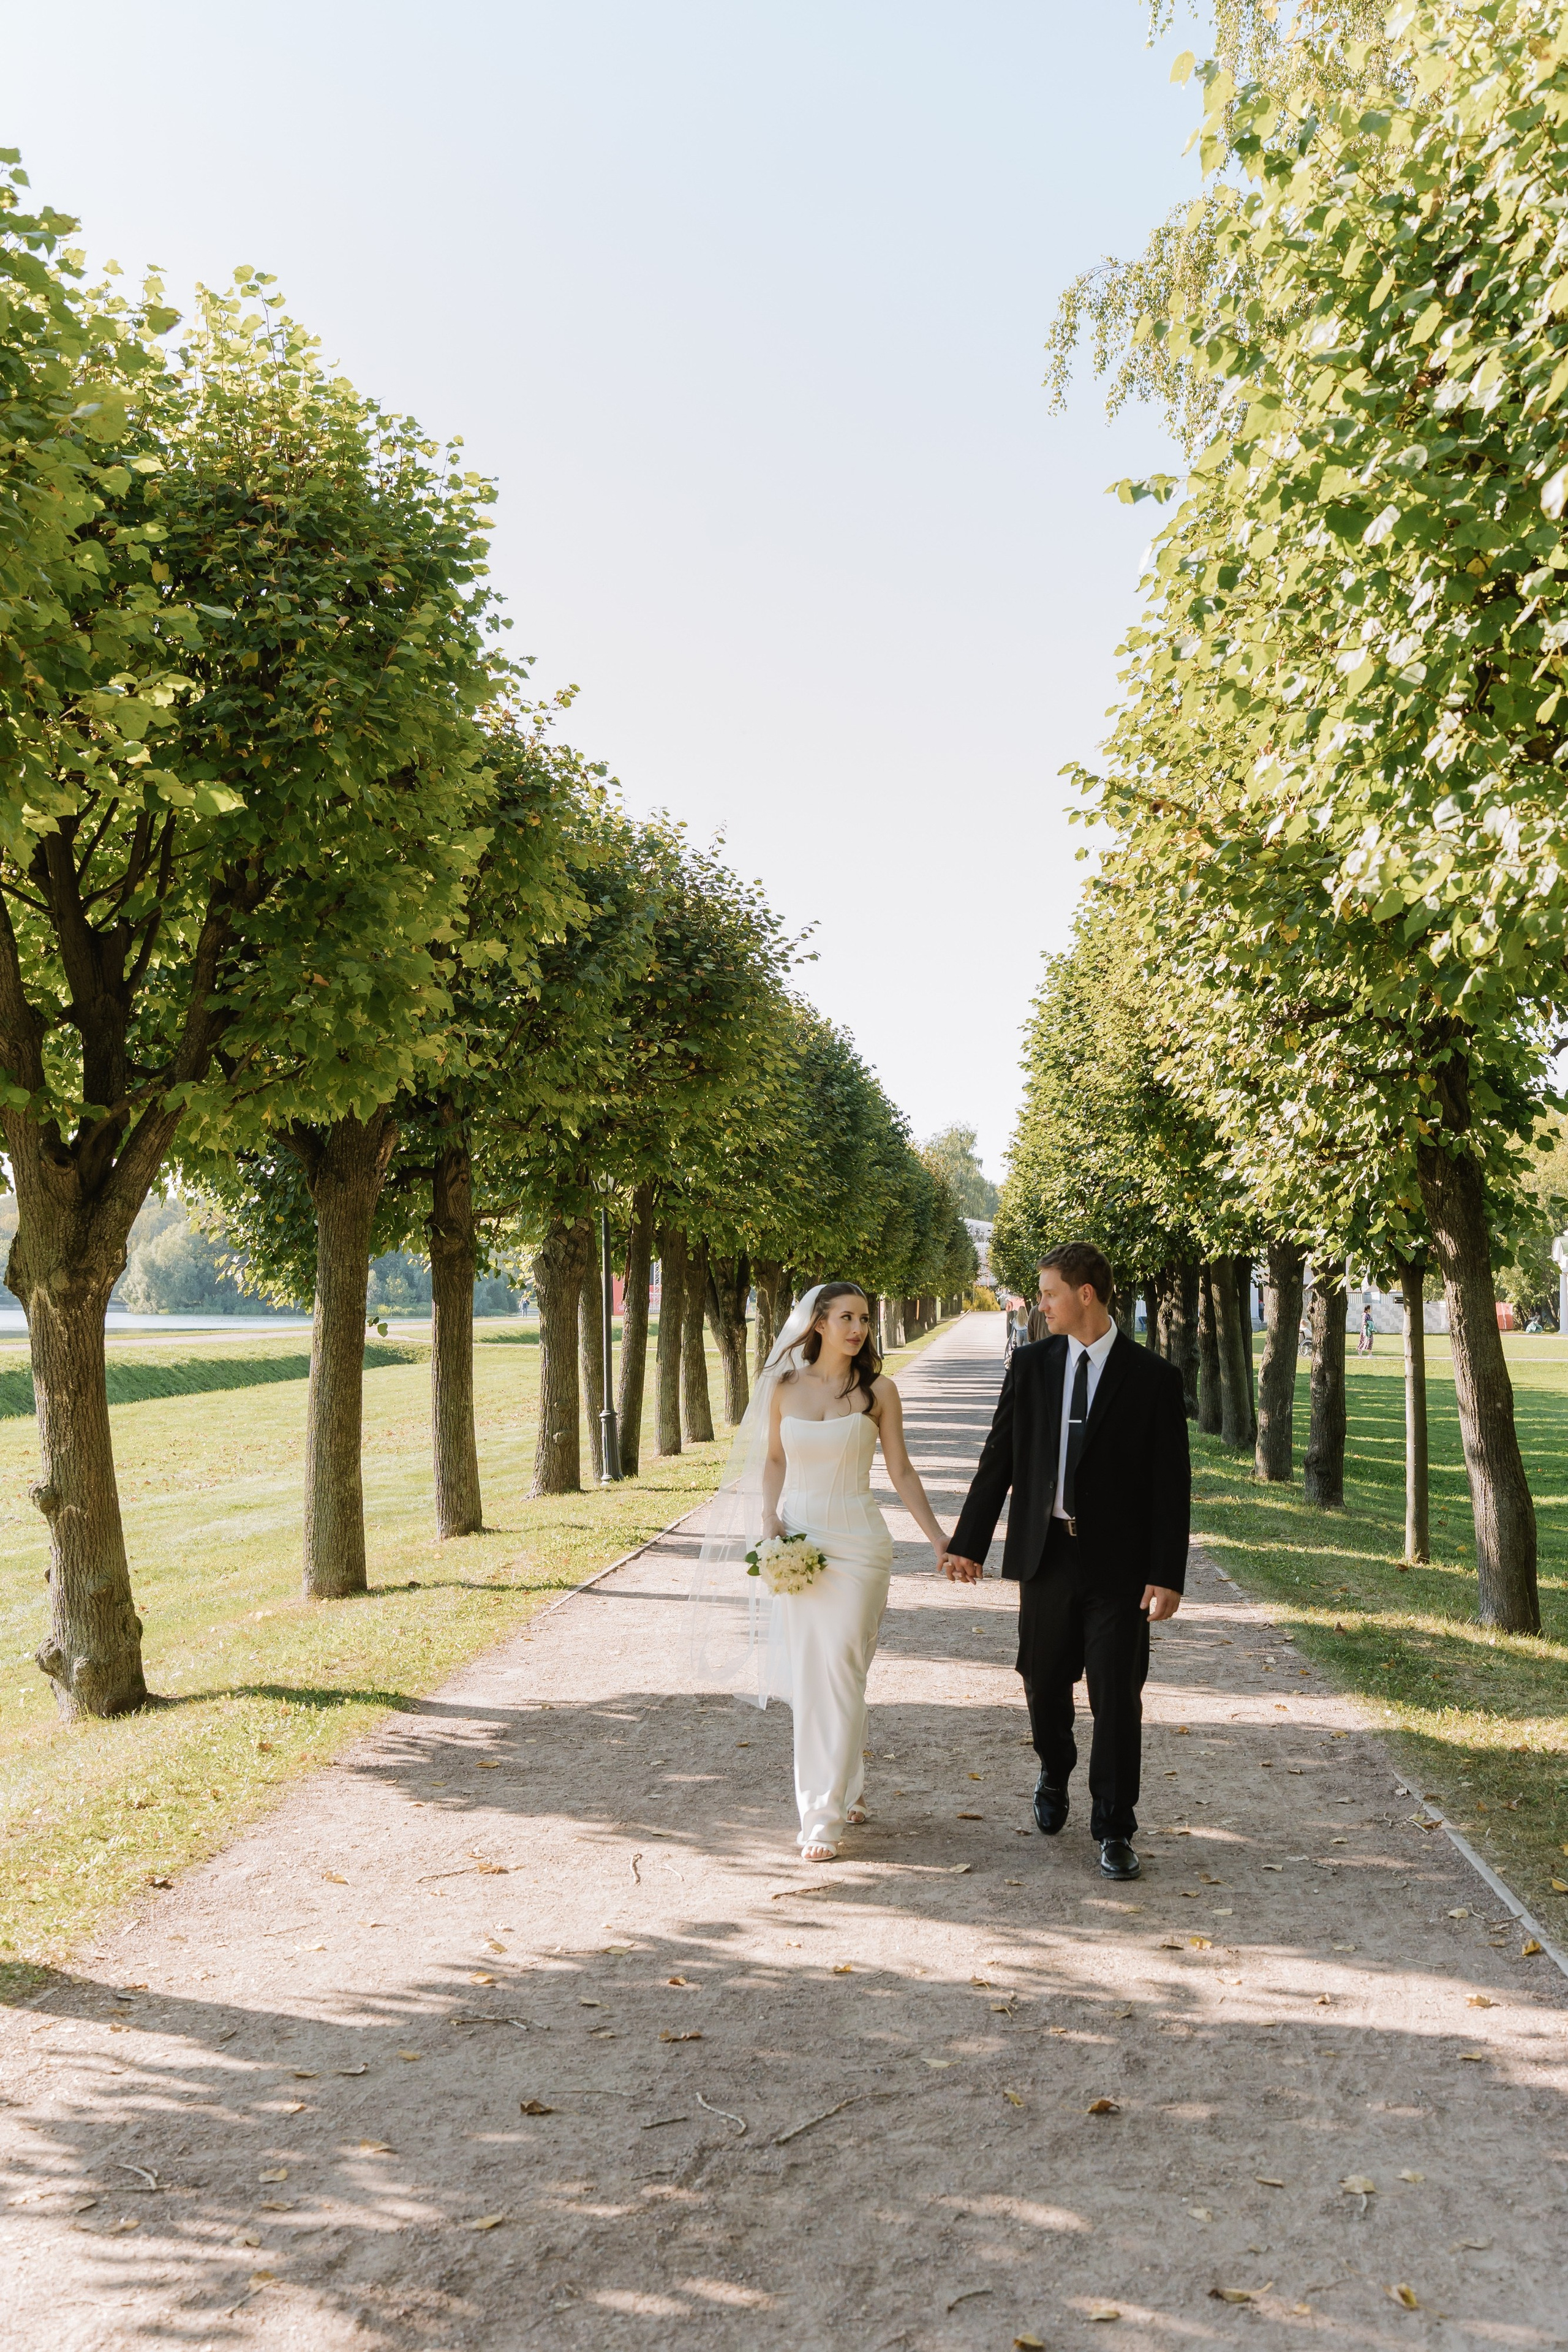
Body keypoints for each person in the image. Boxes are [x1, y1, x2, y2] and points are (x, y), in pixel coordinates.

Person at [942, 1240, 1190, 1883]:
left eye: (1048, 1292)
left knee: (1116, 1696)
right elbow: (998, 1458)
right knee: (1042, 1683)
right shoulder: (1030, 1365)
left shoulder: (1153, 1379)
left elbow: (1171, 1486)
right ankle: (1055, 1767)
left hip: (1121, 1568)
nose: (1039, 1303)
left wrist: (1167, 1572)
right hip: (1046, 1554)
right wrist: (969, 1542)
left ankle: (1113, 1825)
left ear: (1084, 1294)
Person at [689, 1281, 949, 1864]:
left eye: (865, 1318)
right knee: (818, 1676)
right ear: (818, 1325)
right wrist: (769, 1519)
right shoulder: (783, 1387)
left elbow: (902, 1471)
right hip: (801, 1542)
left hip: (861, 1544)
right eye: (847, 1318)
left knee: (844, 1667)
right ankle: (824, 1812)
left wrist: (937, 1537)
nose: (859, 1329)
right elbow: (776, 1459)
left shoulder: (880, 1391)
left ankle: (836, 1799)